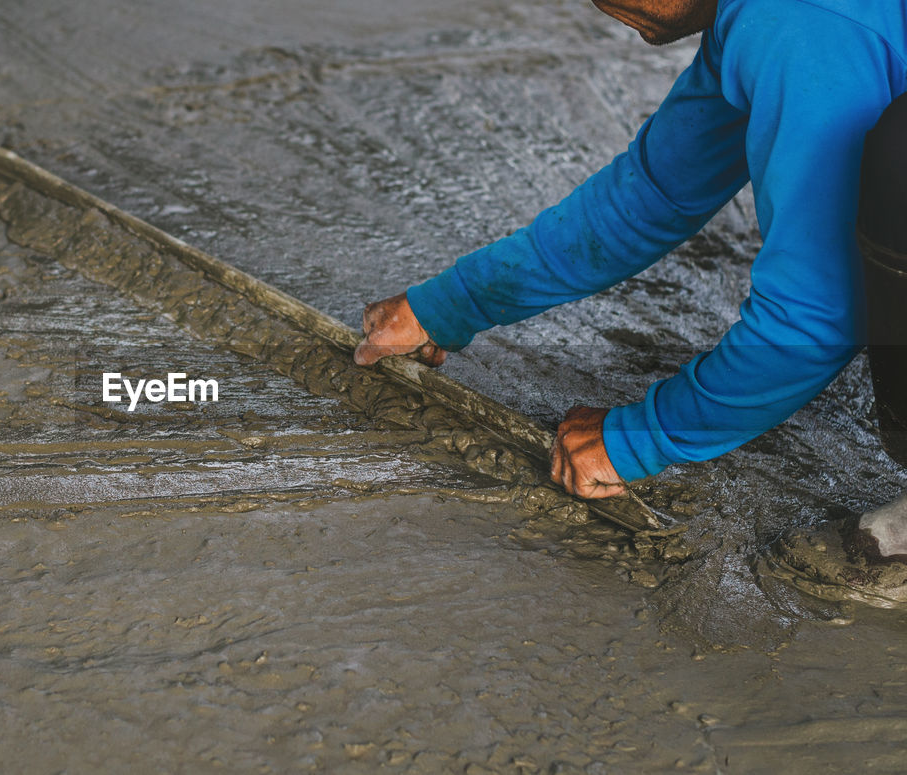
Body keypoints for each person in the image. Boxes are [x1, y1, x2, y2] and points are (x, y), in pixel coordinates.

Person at [352, 0, 907, 595]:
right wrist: (448, 304)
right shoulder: (754, 16)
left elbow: (815, 317)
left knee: (898, 162)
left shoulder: (801, 24)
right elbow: (651, 197)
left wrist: (645, 434)